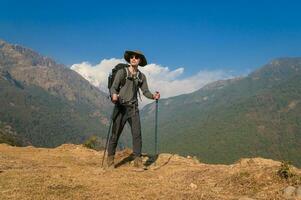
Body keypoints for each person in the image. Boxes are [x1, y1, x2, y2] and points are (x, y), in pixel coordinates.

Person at [107, 50, 160, 171]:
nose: (133, 59)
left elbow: (145, 91)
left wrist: (153, 96)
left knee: (137, 135)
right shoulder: (122, 72)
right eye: (131, 57)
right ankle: (110, 161)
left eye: (136, 57)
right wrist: (114, 95)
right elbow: (114, 87)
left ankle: (138, 162)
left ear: (140, 60)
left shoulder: (141, 76)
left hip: (133, 108)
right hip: (120, 107)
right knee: (115, 135)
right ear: (129, 59)